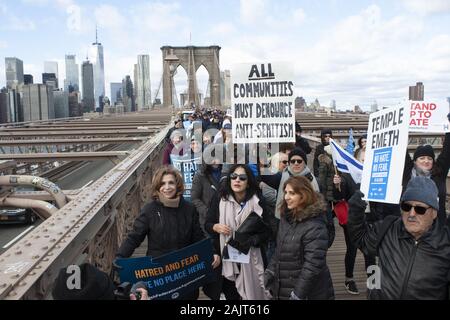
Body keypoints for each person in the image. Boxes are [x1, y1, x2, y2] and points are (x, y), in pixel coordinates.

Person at [115, 166, 219, 300]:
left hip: (184, 271)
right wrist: (120, 257)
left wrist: (212, 251)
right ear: (157, 187)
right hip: (159, 273)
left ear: (177, 185)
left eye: (171, 183)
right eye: (162, 184)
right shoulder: (149, 210)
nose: (167, 187)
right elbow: (134, 237)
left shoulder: (189, 208)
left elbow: (198, 236)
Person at [348, 176, 450, 299]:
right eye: (406, 207)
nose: (412, 214)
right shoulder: (388, 228)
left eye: (420, 209)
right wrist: (355, 212)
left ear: (434, 213)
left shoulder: (445, 244)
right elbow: (361, 239)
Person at [205, 164, 272, 300]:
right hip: (227, 257)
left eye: (242, 178)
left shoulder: (258, 201)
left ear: (248, 183)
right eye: (233, 177)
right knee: (231, 294)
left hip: (251, 257)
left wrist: (253, 240)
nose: (237, 180)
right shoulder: (219, 199)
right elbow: (207, 224)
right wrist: (215, 227)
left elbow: (268, 231)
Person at [264, 176, 335, 300]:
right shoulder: (286, 218)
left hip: (309, 292)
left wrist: (298, 294)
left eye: (292, 193)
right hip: (284, 286)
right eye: (285, 192)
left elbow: (313, 265)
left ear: (304, 195)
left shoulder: (315, 225)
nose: (286, 197)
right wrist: (270, 273)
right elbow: (279, 251)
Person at [402, 125, 449, 226]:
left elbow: (447, 151)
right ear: (415, 161)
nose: (426, 161)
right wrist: (400, 126)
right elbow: (400, 148)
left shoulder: (439, 173)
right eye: (422, 158)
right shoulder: (408, 172)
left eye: (429, 158)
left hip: (436, 226)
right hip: (409, 223)